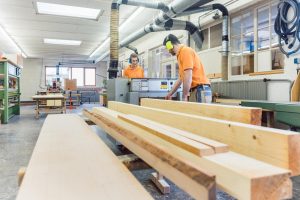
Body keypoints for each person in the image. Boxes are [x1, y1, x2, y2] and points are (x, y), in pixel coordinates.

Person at [163, 34, 212, 102]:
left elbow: (188, 75)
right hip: (196, 90)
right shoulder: (180, 55)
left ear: (170, 45)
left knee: (199, 112)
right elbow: (180, 79)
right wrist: (170, 94)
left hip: (200, 89)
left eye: (168, 48)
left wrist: (184, 96)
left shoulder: (185, 51)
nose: (169, 51)